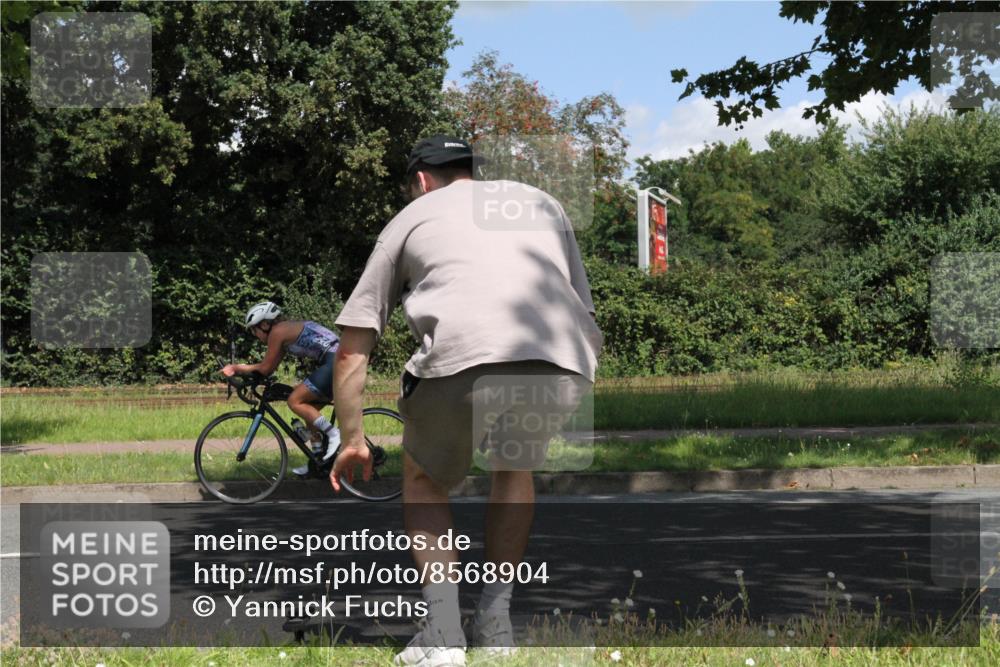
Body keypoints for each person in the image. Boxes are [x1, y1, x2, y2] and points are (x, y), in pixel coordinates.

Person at [329, 135, 602, 666]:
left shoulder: (413, 215)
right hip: (561, 355)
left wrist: (353, 438)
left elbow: (352, 346)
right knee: (513, 467)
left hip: (464, 356)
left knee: (423, 477)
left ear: (423, 180)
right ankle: (495, 626)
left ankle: (444, 633)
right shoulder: (540, 202)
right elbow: (583, 305)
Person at [221, 301, 341, 476]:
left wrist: (236, 368)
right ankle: (318, 462)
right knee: (309, 412)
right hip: (336, 361)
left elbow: (264, 368)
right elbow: (269, 368)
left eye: (254, 330)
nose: (255, 335)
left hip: (335, 362)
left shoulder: (278, 332)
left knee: (295, 400)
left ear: (265, 324)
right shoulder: (285, 331)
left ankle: (334, 435)